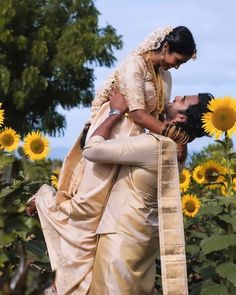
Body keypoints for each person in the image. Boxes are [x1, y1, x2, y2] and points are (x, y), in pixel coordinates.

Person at [34, 90, 213, 294]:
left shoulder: (154, 145)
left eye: (184, 100)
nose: (178, 96)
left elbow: (92, 150)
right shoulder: (178, 150)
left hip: (120, 241)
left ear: (181, 117)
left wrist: (115, 112)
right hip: (144, 244)